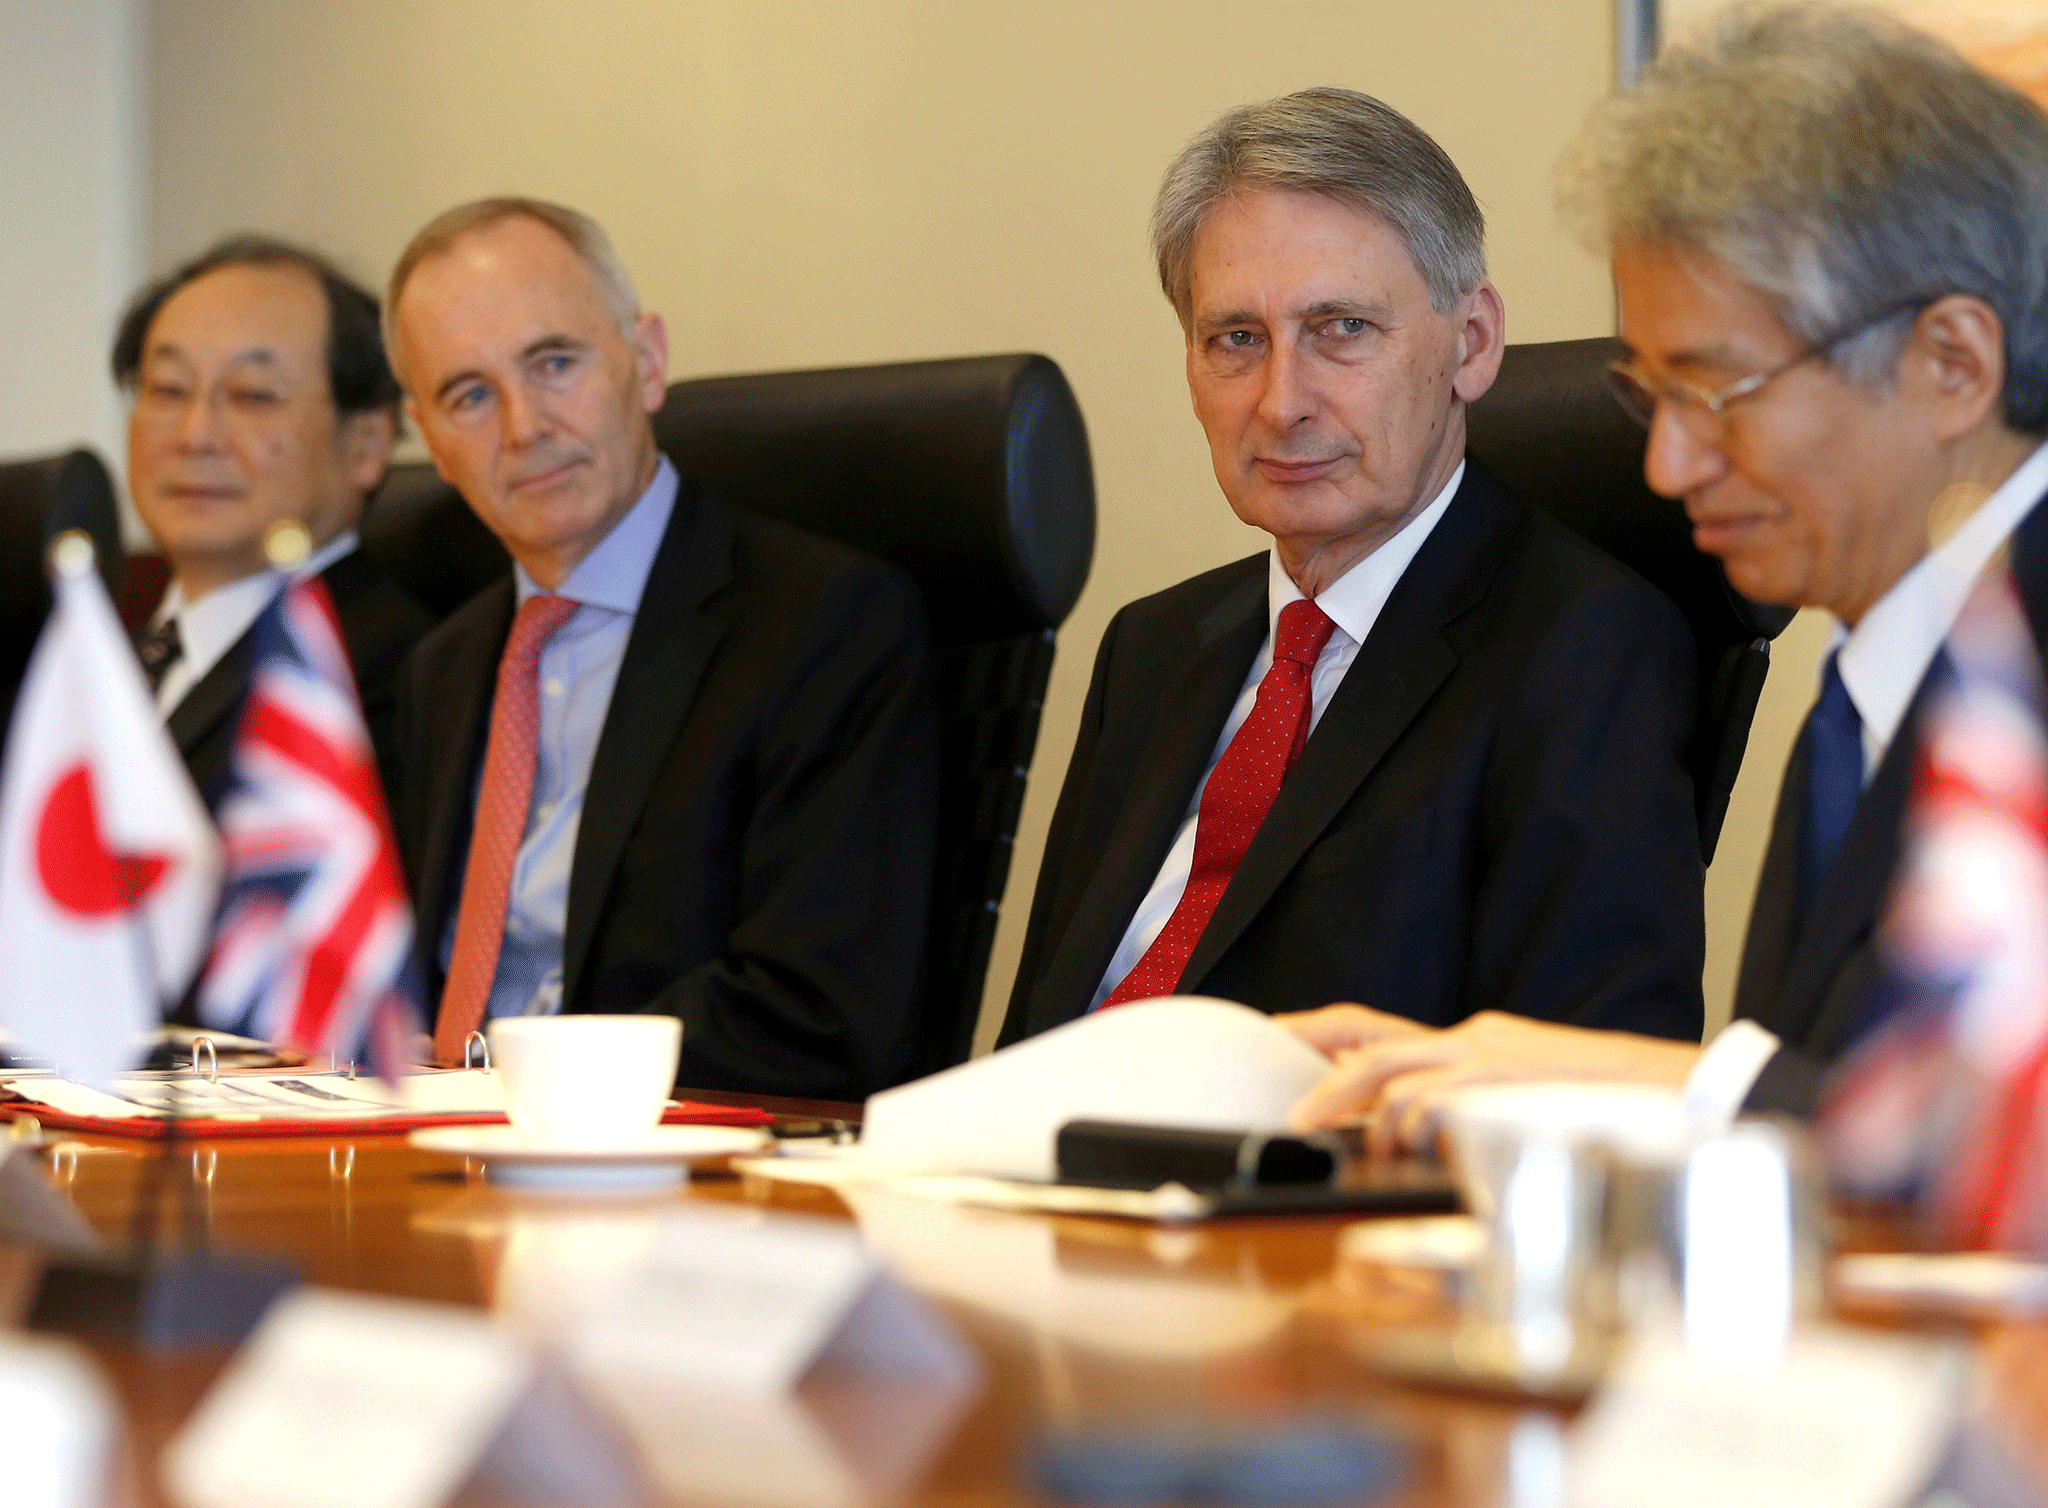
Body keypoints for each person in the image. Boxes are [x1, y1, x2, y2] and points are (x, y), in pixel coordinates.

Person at [1287, 4, 2048, 1150]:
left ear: (1948, 364)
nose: (1664, 462)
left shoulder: (2010, 682)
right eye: (1651, 395)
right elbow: (1847, 1116)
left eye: (1715, 390)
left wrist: (1670, 1085)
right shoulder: (1867, 693)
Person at [1000, 88, 1705, 1049]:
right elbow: (1035, 1038)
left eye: (1342, 330)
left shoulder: (1586, 650)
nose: (1282, 402)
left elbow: (1582, 1083)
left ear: (1473, 343)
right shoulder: (1153, 649)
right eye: (1237, 340)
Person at [384, 197, 937, 1100]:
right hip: (424, 1145)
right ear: (434, 445)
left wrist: (515, 1081)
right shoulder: (442, 667)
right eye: (470, 395)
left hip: (664, 1171)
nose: (523, 427)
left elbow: (818, 1011)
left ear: (646, 363)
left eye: (555, 362)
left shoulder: (827, 624)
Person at [116, 236, 433, 812]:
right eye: (167, 389)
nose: (195, 435)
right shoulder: (94, 659)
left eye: (252, 395)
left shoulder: (401, 687)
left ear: (367, 442)